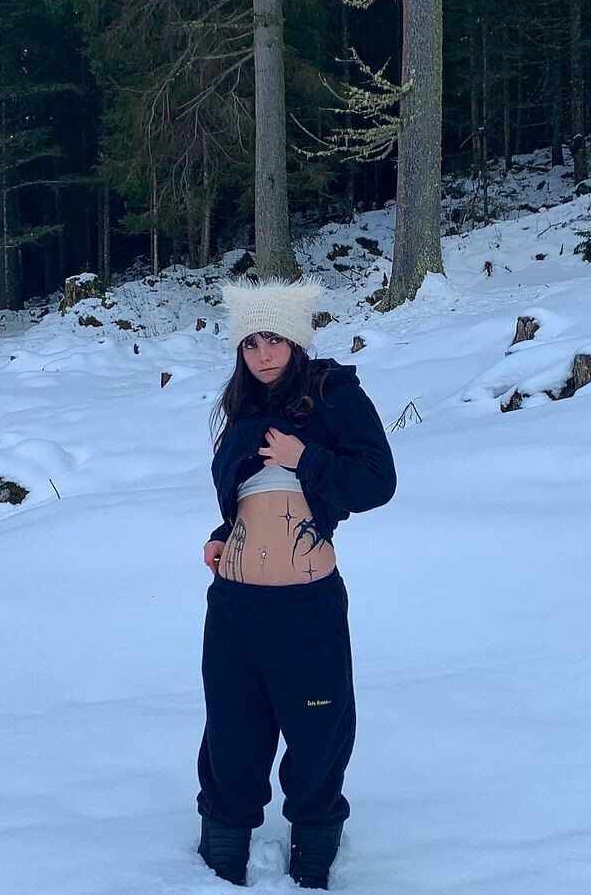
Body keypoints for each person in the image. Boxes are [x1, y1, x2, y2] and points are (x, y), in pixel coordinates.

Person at [196, 276, 397, 889]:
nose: (263, 354)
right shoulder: (240, 407)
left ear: (296, 341)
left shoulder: (332, 394)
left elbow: (376, 482)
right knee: (233, 729)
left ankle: (314, 843)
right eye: (251, 342)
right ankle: (222, 845)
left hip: (307, 606)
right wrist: (224, 532)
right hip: (235, 604)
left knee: (317, 730)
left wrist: (303, 457)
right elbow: (253, 496)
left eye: (275, 339)